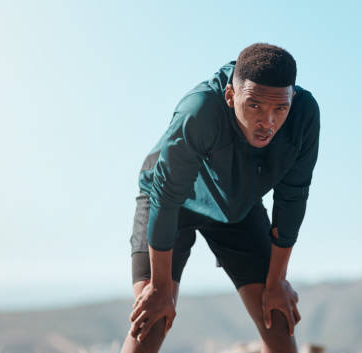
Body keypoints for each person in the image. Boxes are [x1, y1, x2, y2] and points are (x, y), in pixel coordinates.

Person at [120, 43, 320, 353]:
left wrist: (277, 279)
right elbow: (167, 195)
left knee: (277, 317)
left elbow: (292, 197)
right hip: (172, 201)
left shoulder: (304, 115)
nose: (267, 121)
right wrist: (160, 288)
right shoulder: (199, 109)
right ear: (231, 96)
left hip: (237, 205)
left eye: (279, 109)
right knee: (152, 320)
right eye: (255, 106)